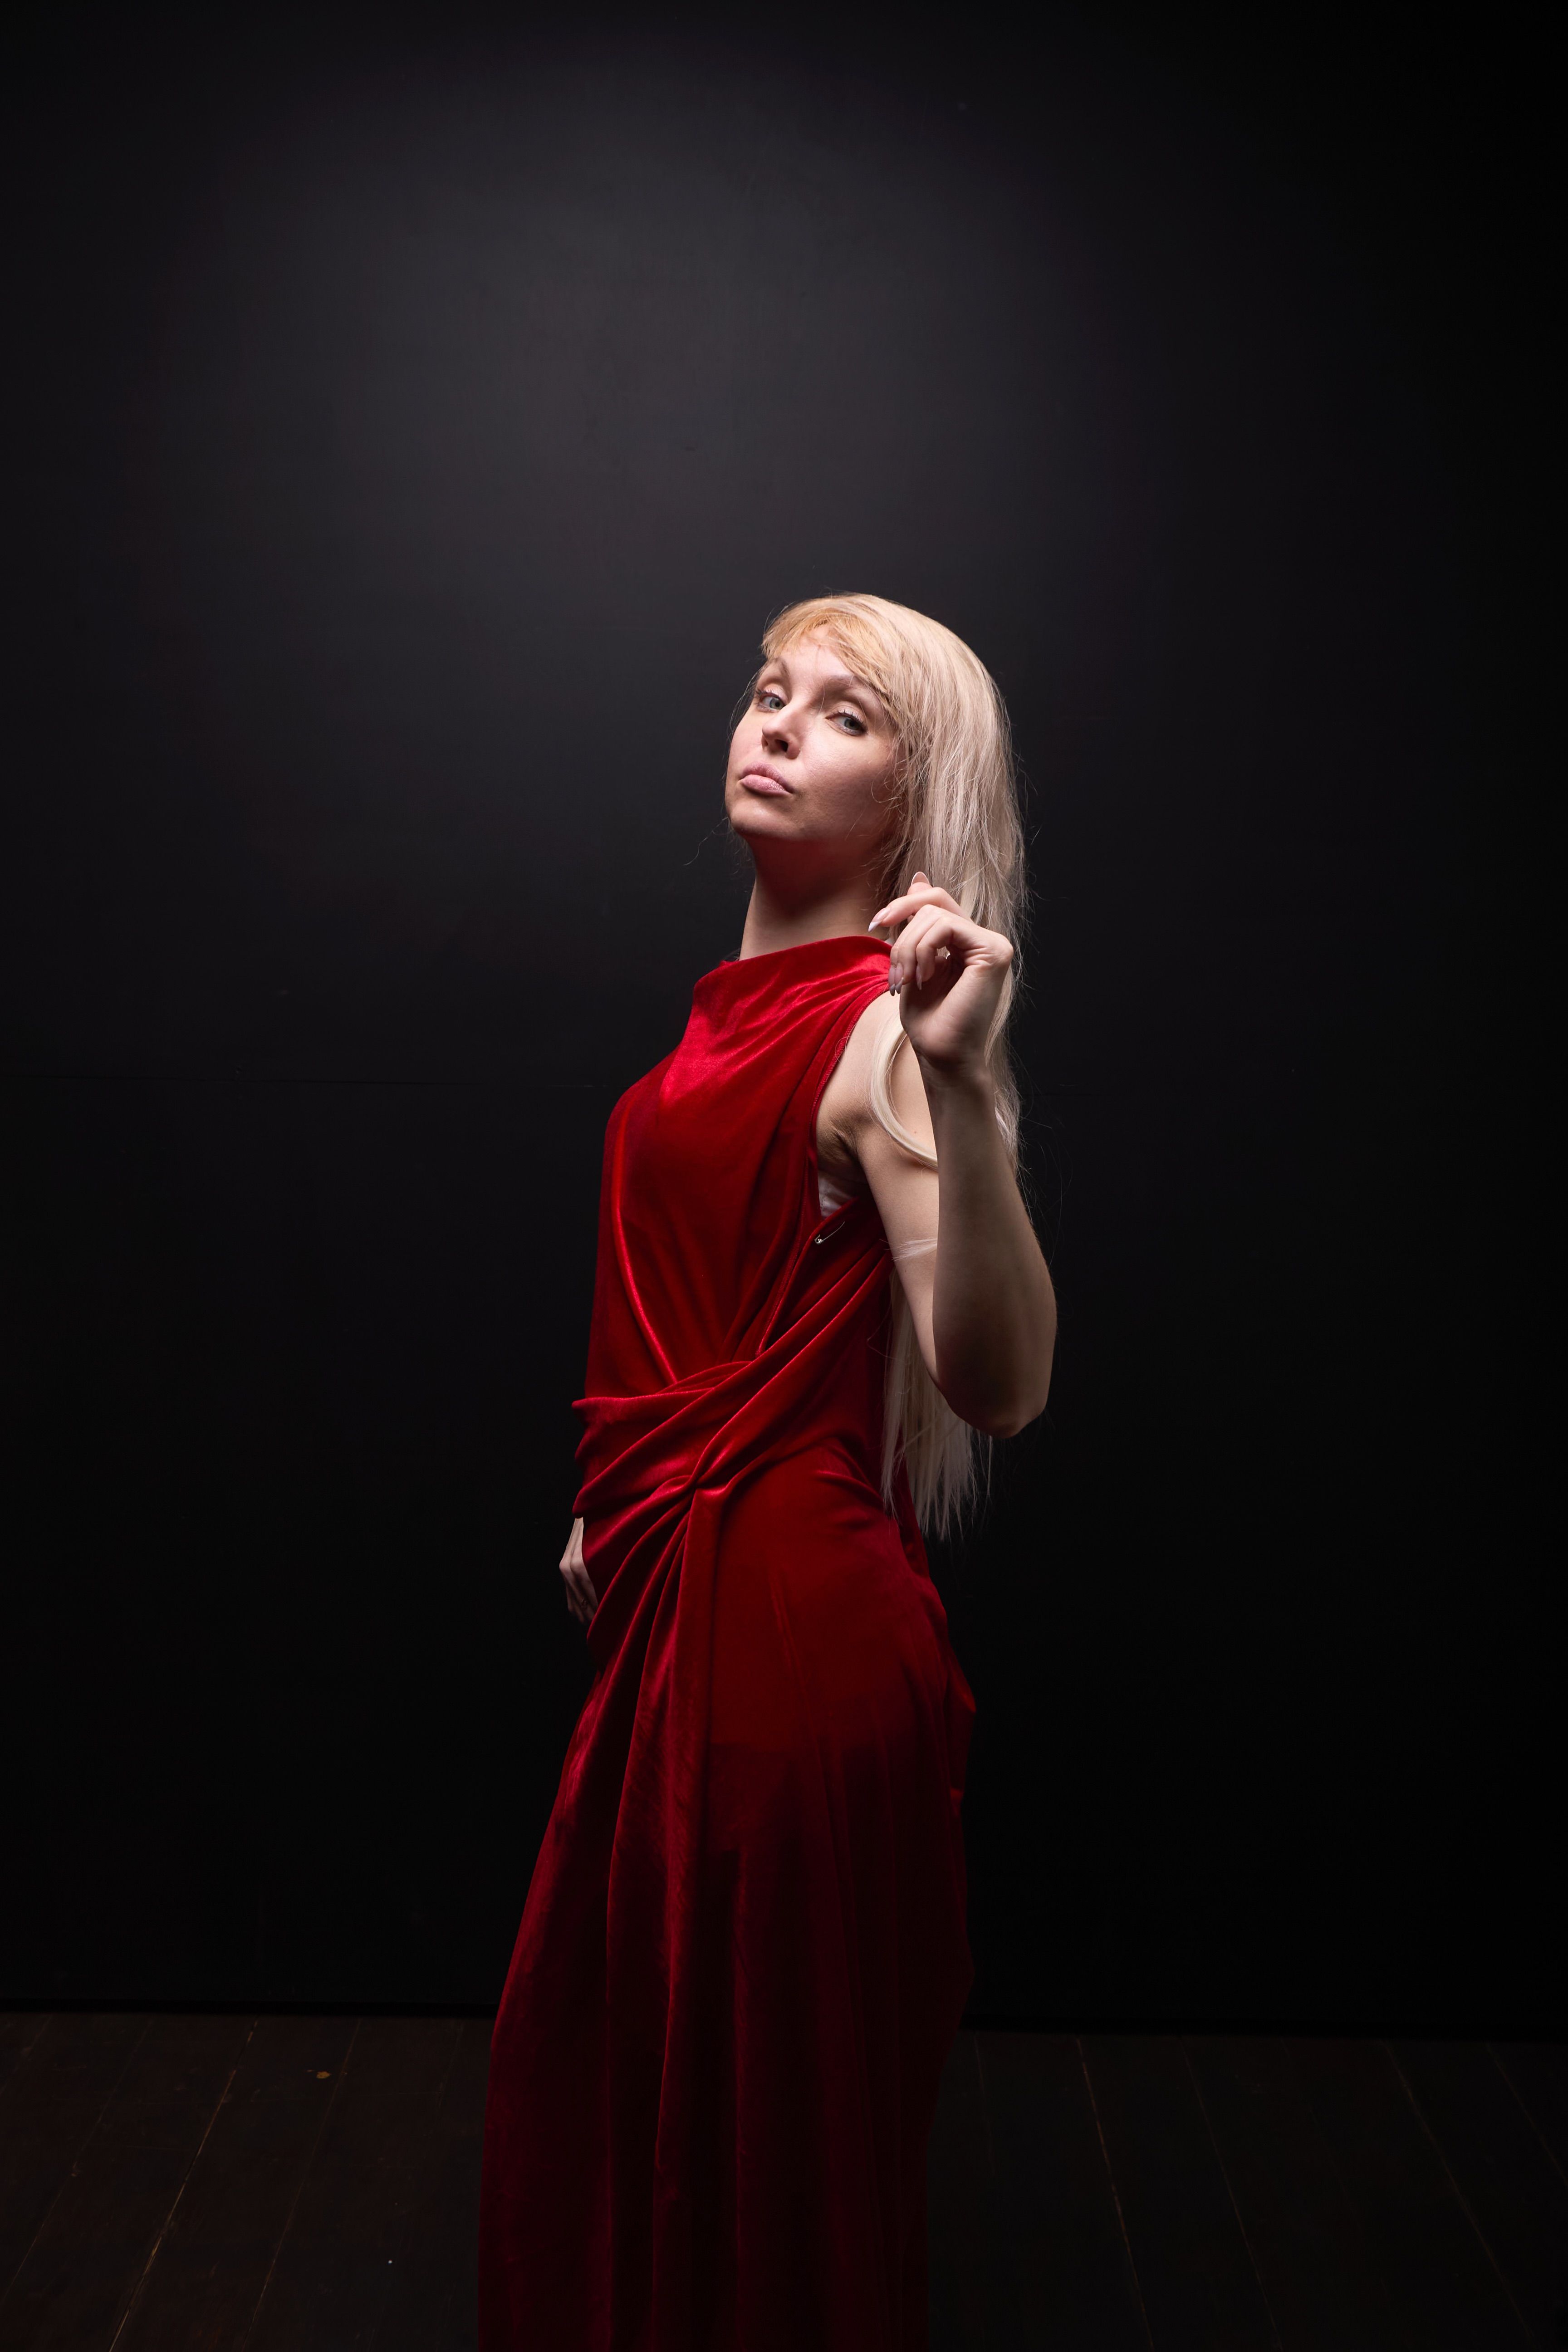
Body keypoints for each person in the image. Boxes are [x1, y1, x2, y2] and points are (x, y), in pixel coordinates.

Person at [478, 594, 1057, 2351]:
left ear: (912, 799)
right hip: (685, 1628)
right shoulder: (721, 1028)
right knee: (654, 2105)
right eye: (766, 692)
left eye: (844, 713)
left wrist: (962, 1093)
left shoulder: (876, 1040)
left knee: (748, 2145)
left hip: (788, 1662)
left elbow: (999, 1386)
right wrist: (622, 1495)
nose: (779, 724)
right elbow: (708, 1327)